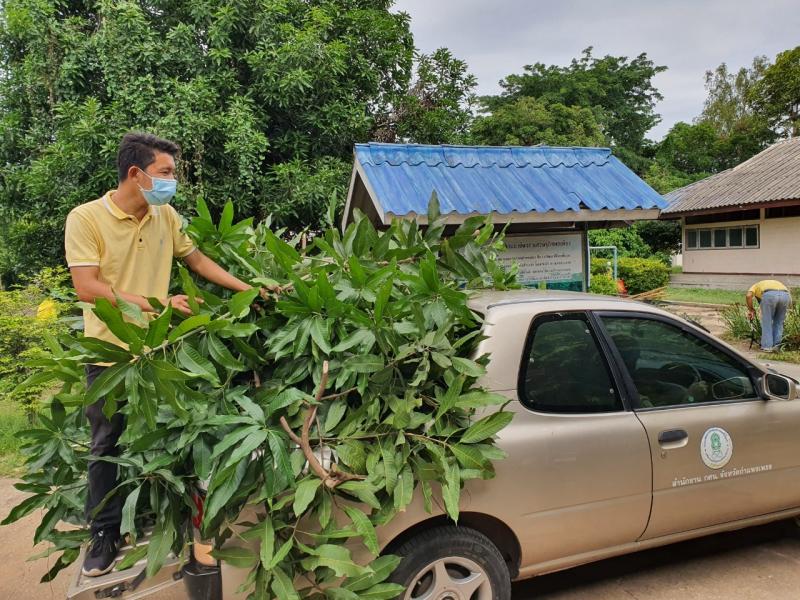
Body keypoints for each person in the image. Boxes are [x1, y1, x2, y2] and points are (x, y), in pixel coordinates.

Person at [65, 132, 267, 577]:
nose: (173, 182)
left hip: (163, 349)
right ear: (136, 175)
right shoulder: (85, 219)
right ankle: (103, 532)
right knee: (107, 441)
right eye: (166, 173)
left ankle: (167, 512)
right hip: (112, 354)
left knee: (173, 432)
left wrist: (249, 288)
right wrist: (156, 304)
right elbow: (88, 287)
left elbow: (197, 262)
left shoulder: (166, 215)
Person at [746, 279, 792, 352]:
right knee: (779, 322)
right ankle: (777, 346)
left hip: (769, 295)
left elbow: (748, 296)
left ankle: (767, 347)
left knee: (767, 322)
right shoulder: (773, 283)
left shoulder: (754, 286)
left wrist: (751, 309)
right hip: (785, 295)